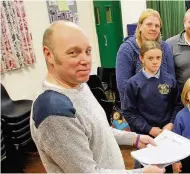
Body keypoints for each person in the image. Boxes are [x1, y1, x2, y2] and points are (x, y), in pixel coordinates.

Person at [30, 21, 164, 173]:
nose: (86, 60)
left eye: (87, 51)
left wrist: (134, 139)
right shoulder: (54, 111)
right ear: (49, 55)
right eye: (73, 52)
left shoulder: (78, 84)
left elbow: (99, 130)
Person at [122, 41, 180, 137]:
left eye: (158, 58)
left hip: (167, 133)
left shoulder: (170, 80)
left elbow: (177, 105)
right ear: (141, 58)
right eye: (150, 58)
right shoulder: (133, 83)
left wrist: (171, 123)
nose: (155, 61)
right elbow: (129, 112)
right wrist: (148, 129)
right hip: (144, 135)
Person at [116, 9, 175, 103]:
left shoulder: (165, 48)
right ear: (139, 26)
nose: (153, 28)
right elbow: (123, 86)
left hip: (162, 107)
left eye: (157, 26)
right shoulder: (127, 49)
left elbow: (171, 80)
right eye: (149, 24)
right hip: (137, 108)